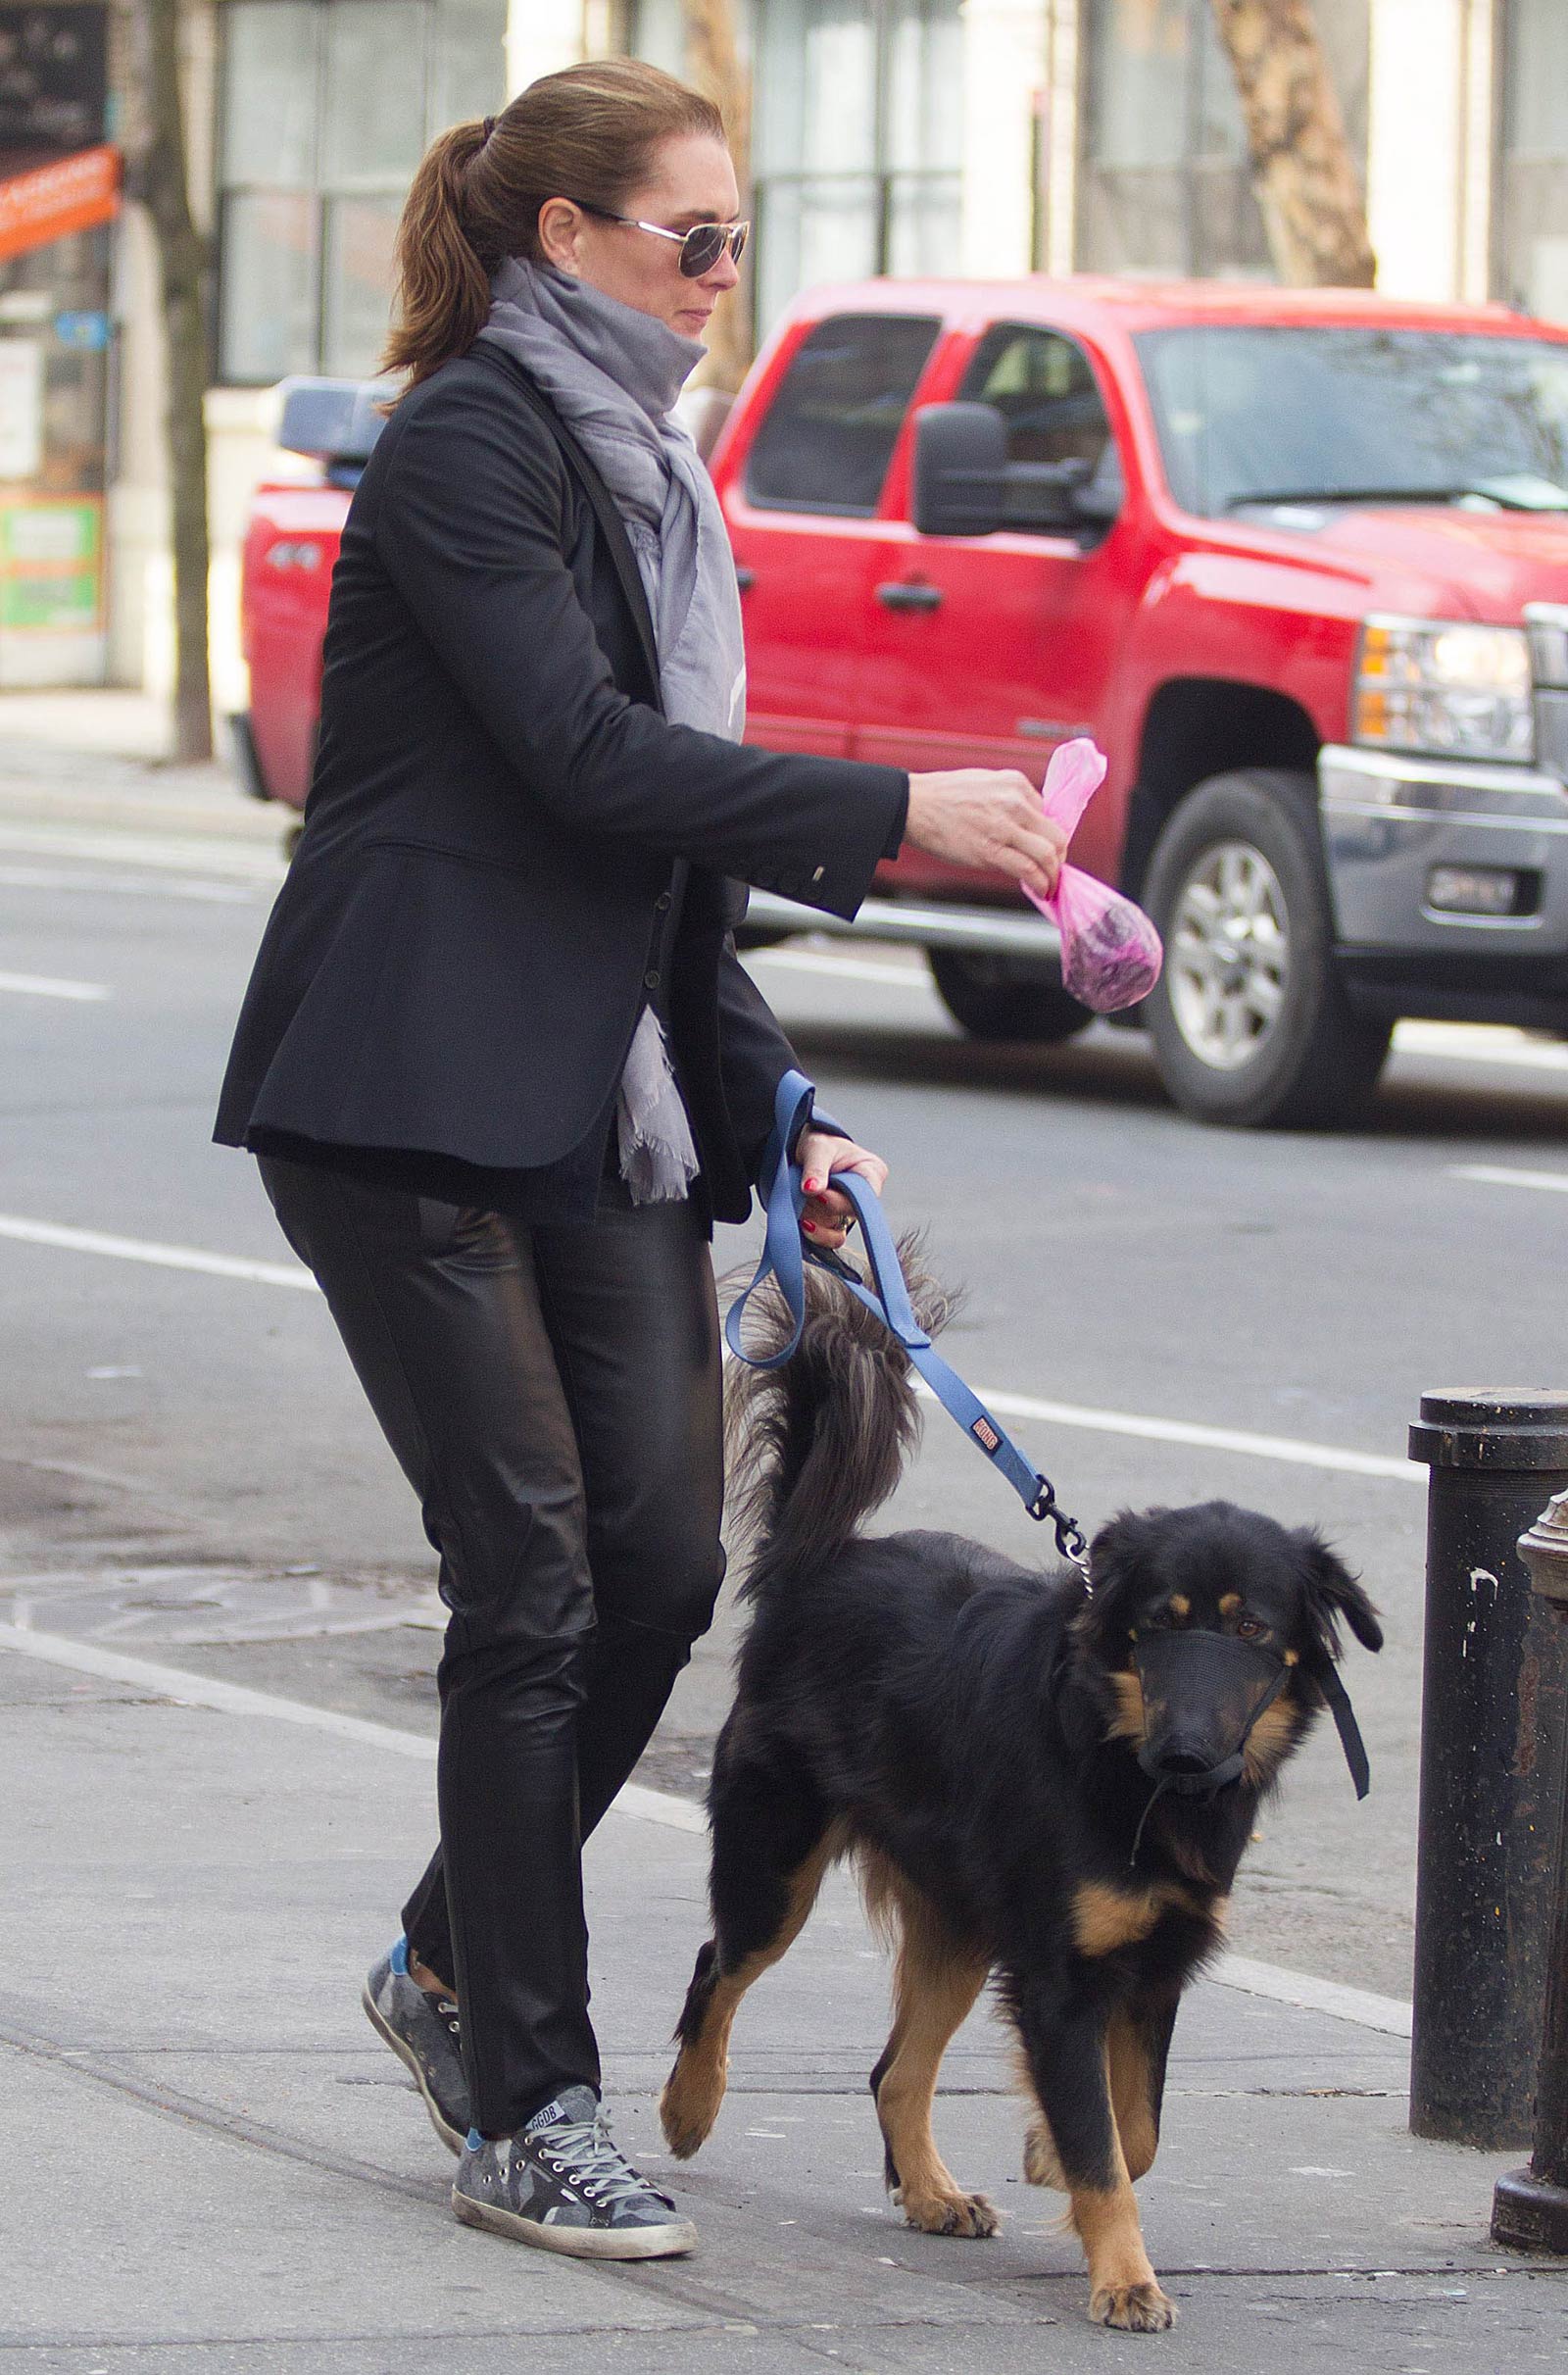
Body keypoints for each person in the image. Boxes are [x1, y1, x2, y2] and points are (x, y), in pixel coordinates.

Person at [214, 57, 1065, 2263]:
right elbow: (597, 768)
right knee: (532, 1586)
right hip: (403, 1085)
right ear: (563, 239)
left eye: (731, 235)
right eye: (688, 238)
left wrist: (778, 1099)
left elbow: (656, 862)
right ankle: (529, 2097)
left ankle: (439, 1964)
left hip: (600, 1098)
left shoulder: (654, 475)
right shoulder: (470, 447)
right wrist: (897, 809)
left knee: (668, 1569)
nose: (718, 274)